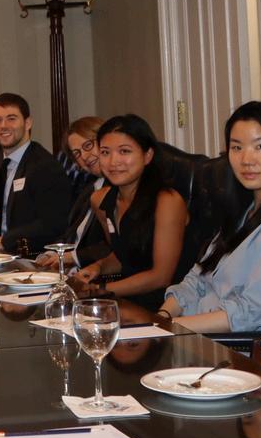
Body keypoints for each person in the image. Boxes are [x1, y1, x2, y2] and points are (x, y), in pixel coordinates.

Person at [157, 101, 261, 335]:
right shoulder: (245, 210)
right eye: (237, 147)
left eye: (260, 146)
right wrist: (162, 317)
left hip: (237, 349)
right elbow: (197, 279)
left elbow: (249, 313)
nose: (246, 160)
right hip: (195, 335)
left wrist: (171, 328)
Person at [72, 114, 188, 304]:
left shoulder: (168, 201)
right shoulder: (99, 200)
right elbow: (124, 256)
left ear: (147, 155)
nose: (113, 162)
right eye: (105, 152)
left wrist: (101, 290)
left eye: (124, 151)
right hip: (124, 298)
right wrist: (98, 267)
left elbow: (161, 277)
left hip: (167, 303)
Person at [0, 93, 71, 254]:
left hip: (29, 254)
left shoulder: (44, 166)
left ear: (28, 123)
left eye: (11, 118)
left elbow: (52, 223)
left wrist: (4, 241)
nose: (3, 126)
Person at [37, 116, 108, 271]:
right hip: (67, 272)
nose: (84, 157)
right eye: (77, 153)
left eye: (88, 145)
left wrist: (73, 257)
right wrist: (50, 254)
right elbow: (70, 233)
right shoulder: (89, 188)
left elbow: (115, 247)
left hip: (97, 275)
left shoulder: (122, 189)